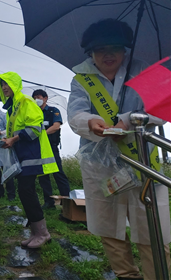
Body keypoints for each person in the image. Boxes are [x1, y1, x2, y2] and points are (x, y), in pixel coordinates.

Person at [68, 18, 170, 279]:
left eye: (114, 47)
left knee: (152, 228)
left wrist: (129, 119)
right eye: (100, 49)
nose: (108, 54)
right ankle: (126, 275)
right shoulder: (82, 78)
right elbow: (75, 113)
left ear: (125, 49)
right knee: (108, 227)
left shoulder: (144, 71)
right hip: (100, 163)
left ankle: (158, 274)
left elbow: (162, 109)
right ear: (90, 52)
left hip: (143, 159)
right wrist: (90, 122)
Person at [0, 72, 59, 249]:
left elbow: (35, 128)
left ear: (15, 84)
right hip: (22, 154)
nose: (4, 88)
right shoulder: (13, 107)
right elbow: (17, 130)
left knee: (26, 191)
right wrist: (6, 139)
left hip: (32, 155)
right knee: (24, 192)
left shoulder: (26, 102)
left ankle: (43, 233)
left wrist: (13, 140)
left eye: (7, 84)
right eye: (2, 85)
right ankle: (36, 232)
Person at [32, 89, 70, 209]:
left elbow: (56, 126)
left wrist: (42, 134)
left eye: (38, 97)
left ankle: (67, 200)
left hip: (51, 147)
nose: (36, 100)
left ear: (45, 98)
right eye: (34, 97)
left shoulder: (53, 111)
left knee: (58, 173)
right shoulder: (34, 113)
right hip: (39, 148)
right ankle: (48, 202)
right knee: (43, 174)